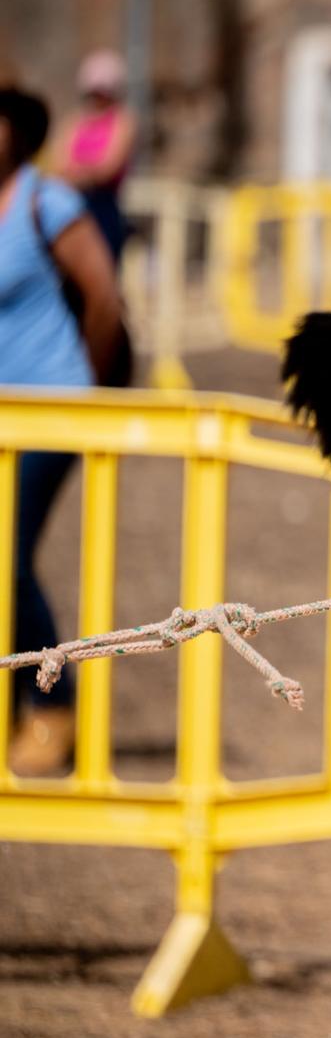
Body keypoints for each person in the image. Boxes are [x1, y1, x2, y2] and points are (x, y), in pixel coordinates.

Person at [1, 85, 123, 777]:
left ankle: (51, 705)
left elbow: (104, 296)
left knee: (5, 554)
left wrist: (87, 385)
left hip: (51, 403)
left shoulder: (49, 203)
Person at [51, 51, 136, 262]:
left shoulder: (123, 121)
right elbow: (59, 163)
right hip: (71, 206)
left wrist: (78, 173)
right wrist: (85, 172)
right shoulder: (75, 121)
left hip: (103, 208)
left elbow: (109, 167)